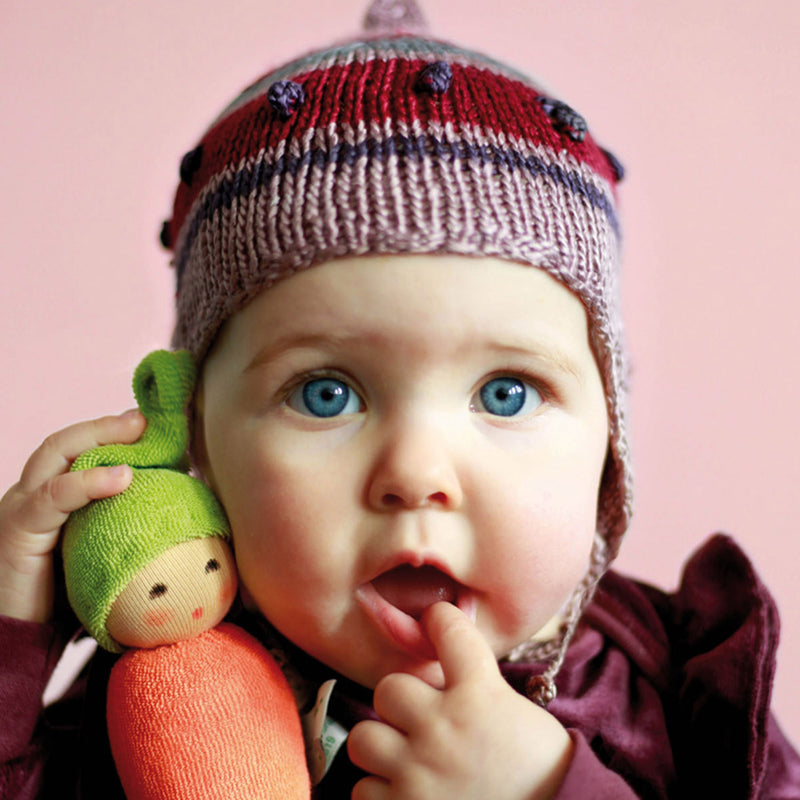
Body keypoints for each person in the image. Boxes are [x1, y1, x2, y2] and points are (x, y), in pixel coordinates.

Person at [1, 0, 798, 797]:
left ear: (608, 444)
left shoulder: (685, 691)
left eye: (508, 393)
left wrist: (553, 789)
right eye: (324, 394)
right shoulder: (164, 689)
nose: (415, 474)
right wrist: (12, 632)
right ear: (203, 442)